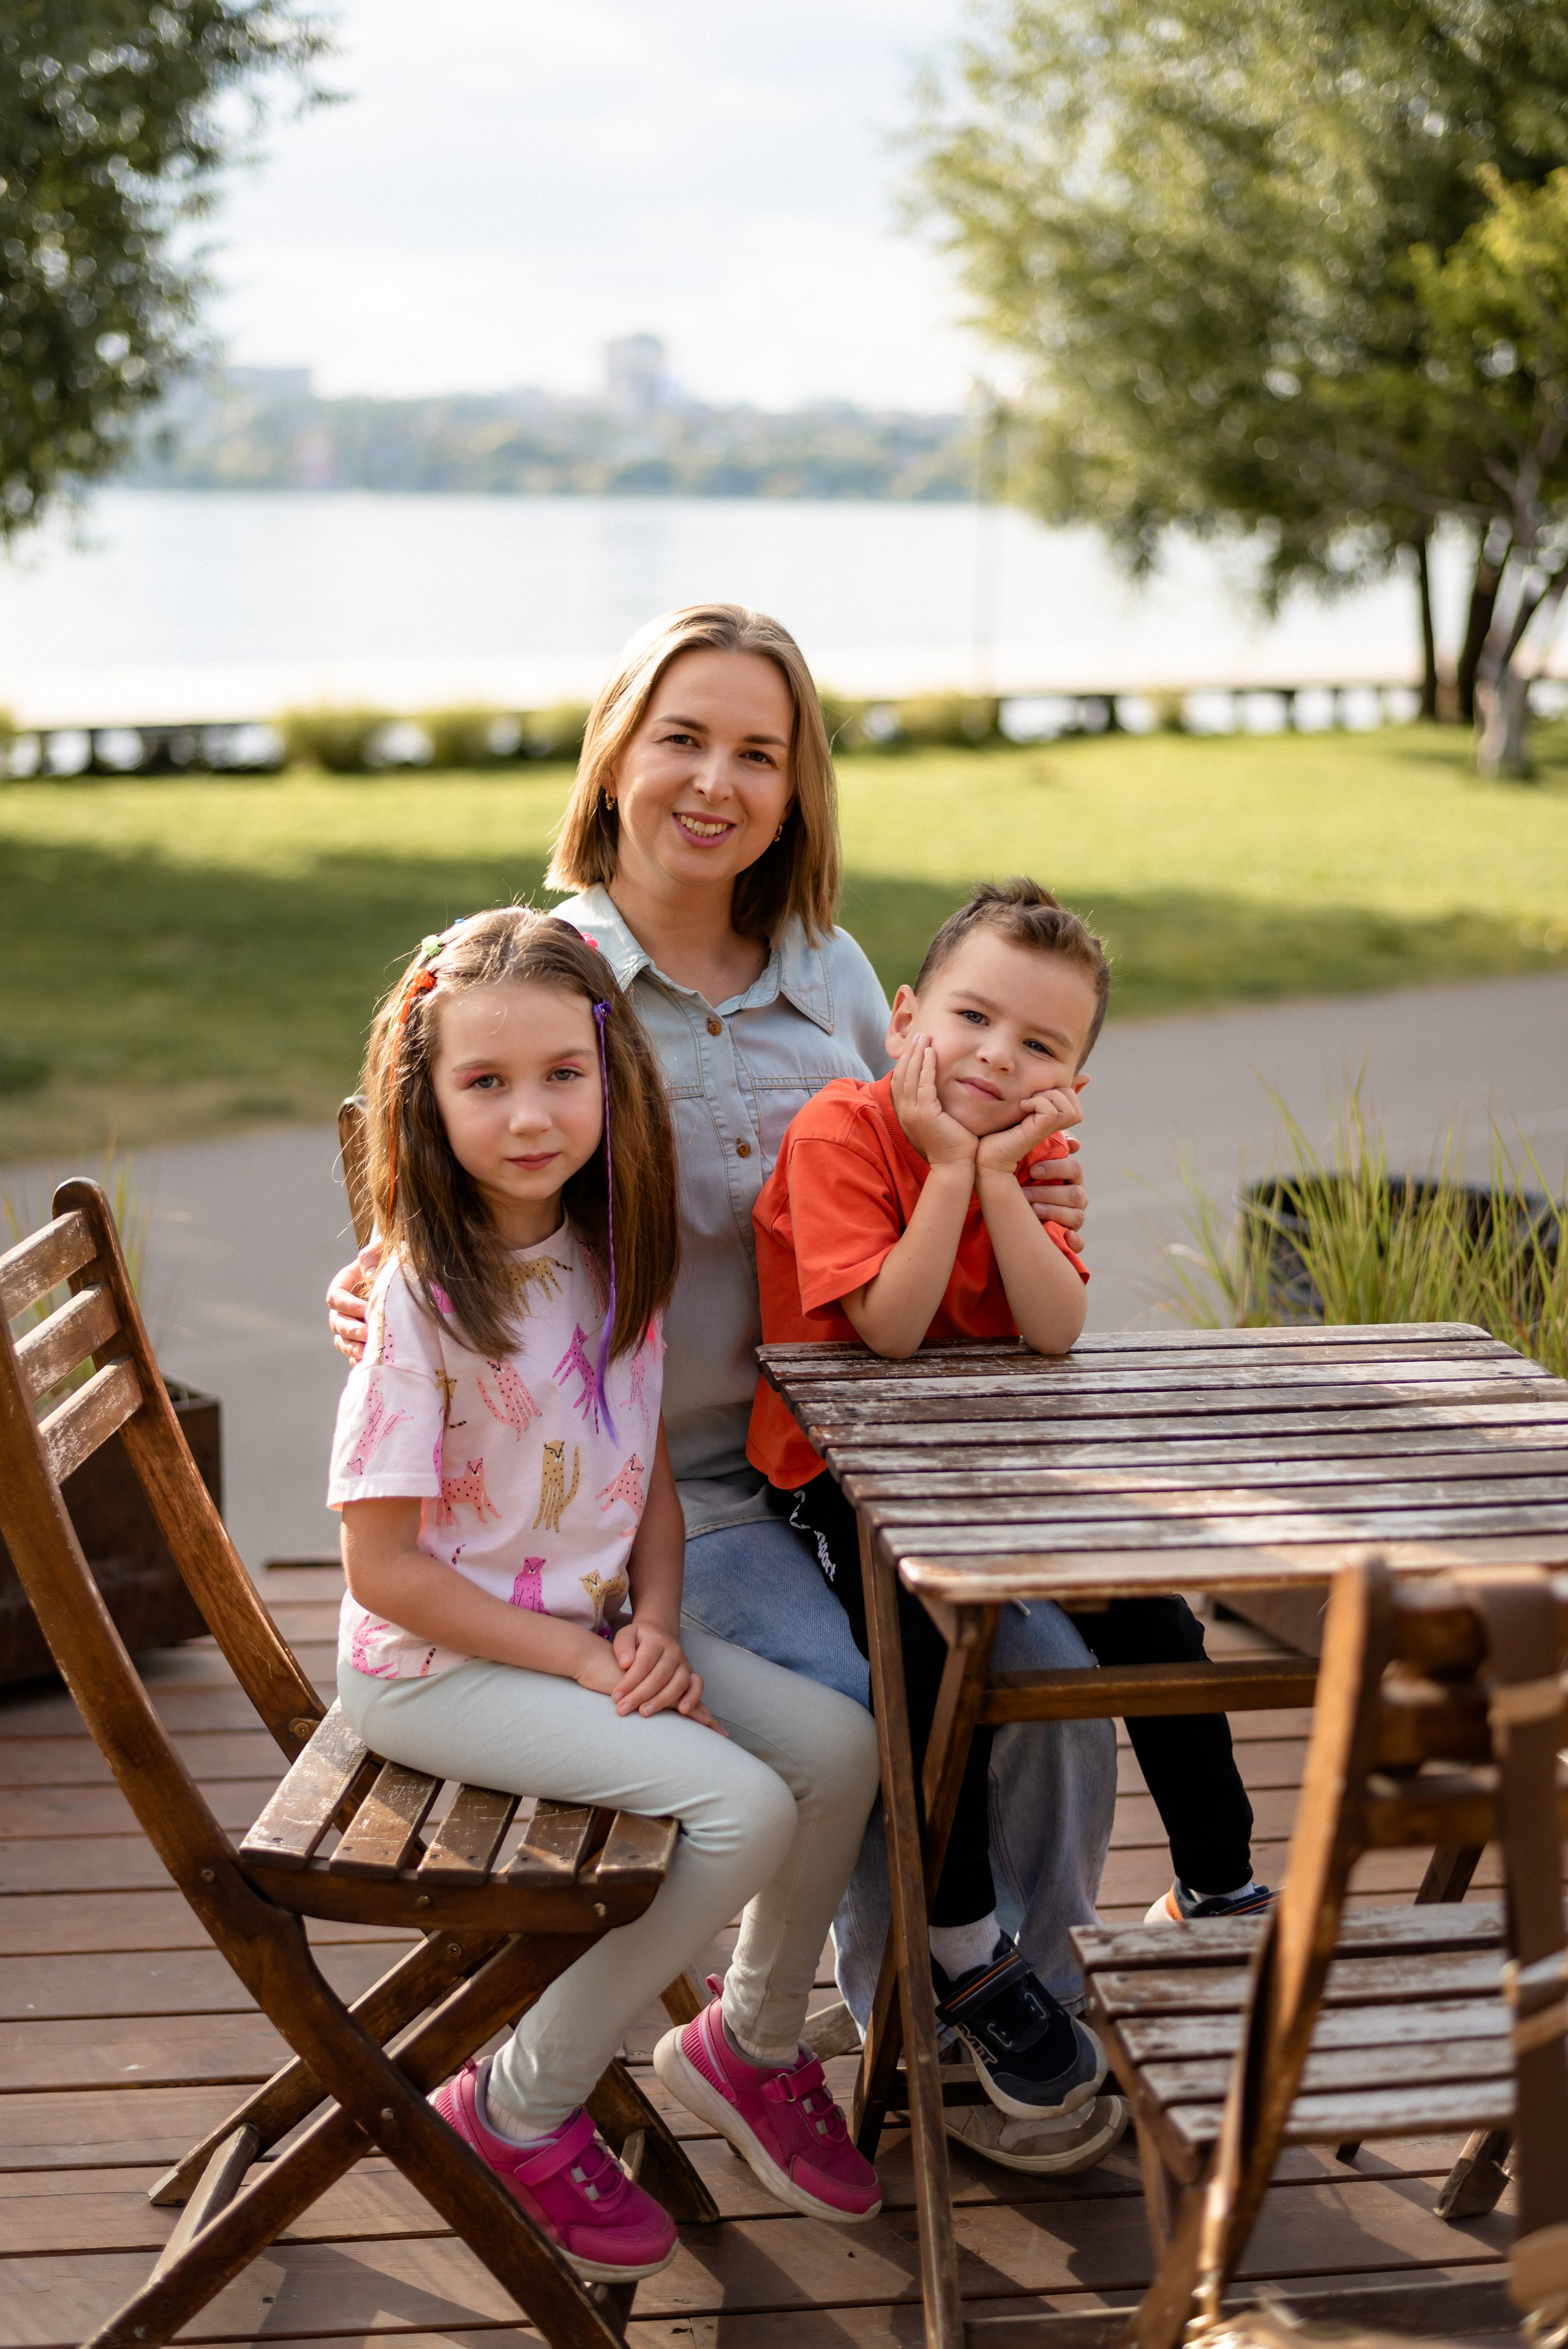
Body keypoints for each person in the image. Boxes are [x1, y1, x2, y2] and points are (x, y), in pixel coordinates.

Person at [328, 603, 1120, 2180]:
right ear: (614, 749)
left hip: (856, 1464)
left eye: (759, 752)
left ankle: (1000, 1992)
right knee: (868, 1699)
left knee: (1042, 1662)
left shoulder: (834, 976)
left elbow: (927, 1152)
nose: (714, 781)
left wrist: (1022, 1164)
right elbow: (429, 1205)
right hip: (655, 1502)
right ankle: (906, 1999)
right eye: (681, 736)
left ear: (798, 785)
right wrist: (363, 1275)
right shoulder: (532, 967)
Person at [330, 907, 884, 2288]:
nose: (529, 1115)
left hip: (583, 1629)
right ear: (426, 1096)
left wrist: (650, 1618)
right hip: (435, 1666)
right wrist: (589, 1664)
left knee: (836, 1747)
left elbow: (637, 1474)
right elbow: (383, 1571)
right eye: (483, 1082)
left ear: (608, 1077)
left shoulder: (608, 1252)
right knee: (738, 1803)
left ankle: (746, 2040)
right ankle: (515, 2099)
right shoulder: (418, 1305)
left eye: (559, 1076)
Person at [747, 880, 1269, 2135]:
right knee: (934, 1656)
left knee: (1153, 1616)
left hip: (989, 1481)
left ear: (1069, 1079)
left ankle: (1218, 1881)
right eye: (972, 1018)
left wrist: (994, 1176)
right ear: (906, 1018)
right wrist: (949, 1168)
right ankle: (965, 1934)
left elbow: (1051, 1329)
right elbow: (882, 1331)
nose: (995, 1055)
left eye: (1038, 1044)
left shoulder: (1031, 1160)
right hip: (833, 1477)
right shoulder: (838, 1131)